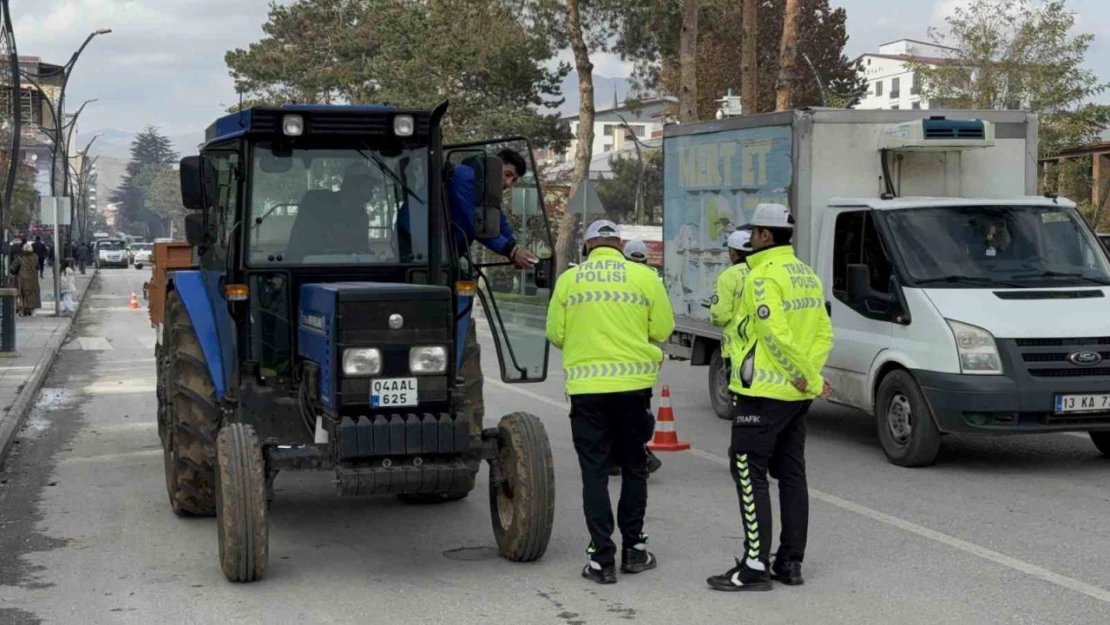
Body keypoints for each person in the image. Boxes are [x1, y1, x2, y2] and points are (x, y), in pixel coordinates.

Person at [707, 203, 833, 593]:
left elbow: (774, 334)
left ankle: (754, 566)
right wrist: (809, 378)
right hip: (797, 395)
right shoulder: (807, 275)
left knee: (747, 470)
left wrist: (801, 375)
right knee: (792, 474)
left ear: (763, 236)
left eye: (755, 232)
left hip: (763, 392)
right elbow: (823, 332)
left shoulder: (762, 276)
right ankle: (790, 563)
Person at [547, 219, 675, 585]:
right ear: (619, 244)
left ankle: (601, 560)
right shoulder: (644, 278)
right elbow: (662, 330)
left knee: (595, 472)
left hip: (588, 392)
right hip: (635, 389)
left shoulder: (570, 281)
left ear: (587, 246)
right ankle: (634, 550)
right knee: (634, 467)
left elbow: (555, 333)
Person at [614, 238, 663, 477]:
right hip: (641, 364)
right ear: (645, 258)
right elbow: (661, 327)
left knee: (612, 413)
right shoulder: (652, 280)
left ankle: (617, 456)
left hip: (612, 356)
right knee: (639, 412)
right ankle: (637, 453)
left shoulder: (618, 279)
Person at [709, 230, 754, 409]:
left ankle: (742, 414)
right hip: (761, 344)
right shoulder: (762, 270)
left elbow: (720, 316)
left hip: (736, 346)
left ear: (733, 252)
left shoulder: (728, 276)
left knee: (737, 387)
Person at [14, 242, 41, 316]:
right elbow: (38, 267)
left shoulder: (20, 257)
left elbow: (13, 268)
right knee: (33, 294)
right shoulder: (35, 257)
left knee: (22, 294)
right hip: (33, 278)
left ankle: (22, 310)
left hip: (23, 278)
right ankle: (32, 310)